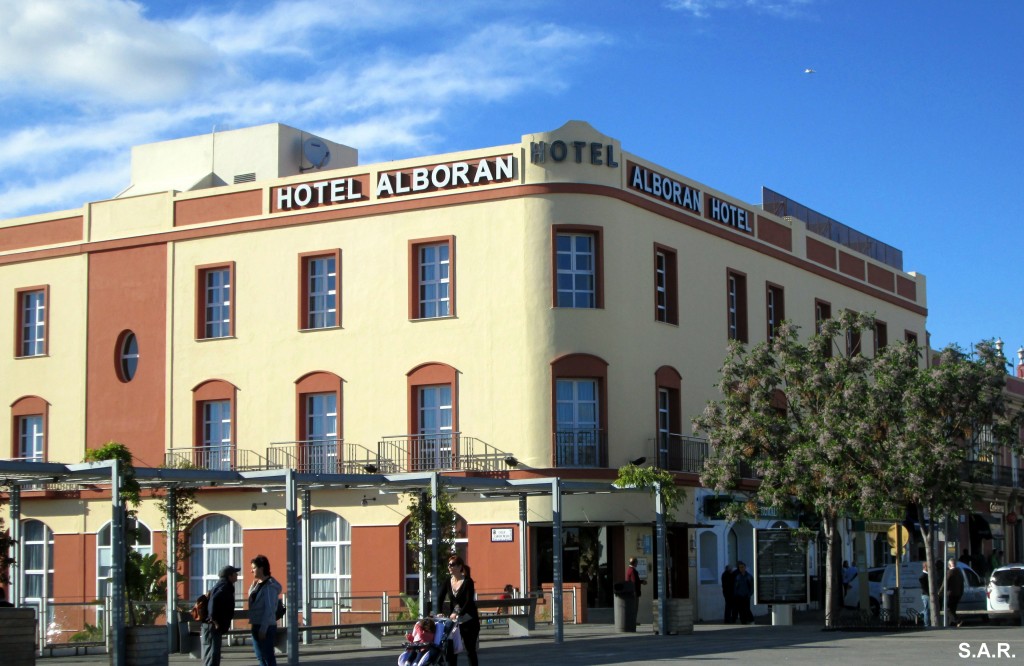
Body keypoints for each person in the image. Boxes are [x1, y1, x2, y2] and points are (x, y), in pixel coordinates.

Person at [438, 555, 480, 666]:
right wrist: (439, 611)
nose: (449, 567)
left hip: (469, 619)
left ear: (460, 566)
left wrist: (457, 613)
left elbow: (468, 601)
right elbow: (440, 597)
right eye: (449, 565)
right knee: (452, 649)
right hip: (454, 621)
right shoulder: (448, 581)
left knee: (470, 649)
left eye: (452, 565)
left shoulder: (467, 581)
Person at [248, 554, 282, 666]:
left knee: (267, 657)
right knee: (260, 657)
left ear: (261, 568)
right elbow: (253, 601)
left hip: (265, 626)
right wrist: (252, 588)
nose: (251, 571)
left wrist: (263, 628)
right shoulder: (258, 584)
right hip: (256, 624)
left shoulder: (270, 586)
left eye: (253, 568)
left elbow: (269, 608)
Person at [202, 565, 239, 666]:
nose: (237, 575)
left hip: (210, 626)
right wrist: (215, 621)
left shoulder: (221, 585)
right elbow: (214, 601)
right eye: (235, 573)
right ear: (229, 576)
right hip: (212, 626)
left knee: (211, 654)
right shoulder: (224, 586)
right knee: (212, 656)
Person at [942, 557, 964, 627]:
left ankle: (957, 620)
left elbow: (944, 584)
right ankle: (952, 624)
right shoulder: (960, 572)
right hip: (957, 594)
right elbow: (962, 584)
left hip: (950, 594)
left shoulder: (949, 572)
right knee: (953, 609)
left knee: (947, 609)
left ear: (949, 565)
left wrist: (940, 592)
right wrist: (961, 593)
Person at [625, 557, 647, 625]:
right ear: (634, 563)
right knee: (635, 607)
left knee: (632, 607)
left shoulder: (629, 570)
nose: (637, 563)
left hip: (630, 591)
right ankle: (633, 621)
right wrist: (642, 582)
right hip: (634, 592)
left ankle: (632, 621)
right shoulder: (633, 571)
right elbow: (634, 582)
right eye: (636, 562)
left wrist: (641, 581)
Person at [918, 561, 931, 628]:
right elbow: (924, 587)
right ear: (925, 567)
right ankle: (926, 624)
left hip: (928, 594)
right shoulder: (923, 576)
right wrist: (928, 594)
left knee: (927, 609)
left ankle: (920, 615)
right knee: (927, 610)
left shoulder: (929, 575)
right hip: (926, 595)